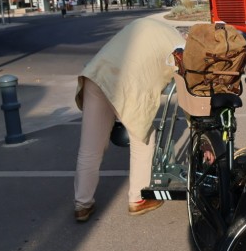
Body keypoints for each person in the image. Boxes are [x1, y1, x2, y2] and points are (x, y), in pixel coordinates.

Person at [73, 18, 186, 223]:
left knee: (90, 148)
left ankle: (82, 204)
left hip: (96, 74)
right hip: (127, 84)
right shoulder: (179, 44)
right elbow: (185, 84)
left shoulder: (146, 24)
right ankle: (138, 199)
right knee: (142, 137)